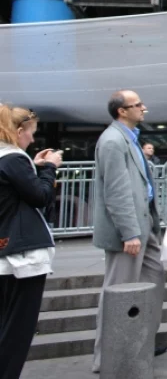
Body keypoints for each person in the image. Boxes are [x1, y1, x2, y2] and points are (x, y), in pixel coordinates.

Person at [92, 90, 166, 372]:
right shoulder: (112, 141)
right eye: (137, 105)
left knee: (153, 278)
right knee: (118, 290)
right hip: (130, 231)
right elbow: (116, 191)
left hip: (144, 224)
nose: (144, 108)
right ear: (122, 111)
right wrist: (129, 233)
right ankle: (107, 356)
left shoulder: (129, 139)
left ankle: (140, 344)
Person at [0, 105, 61, 379]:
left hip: (7, 252)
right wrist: (49, 169)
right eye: (31, 134)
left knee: (7, 326)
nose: (33, 140)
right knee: (17, 331)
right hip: (21, 255)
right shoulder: (12, 158)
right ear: (19, 131)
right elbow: (39, 196)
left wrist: (33, 168)